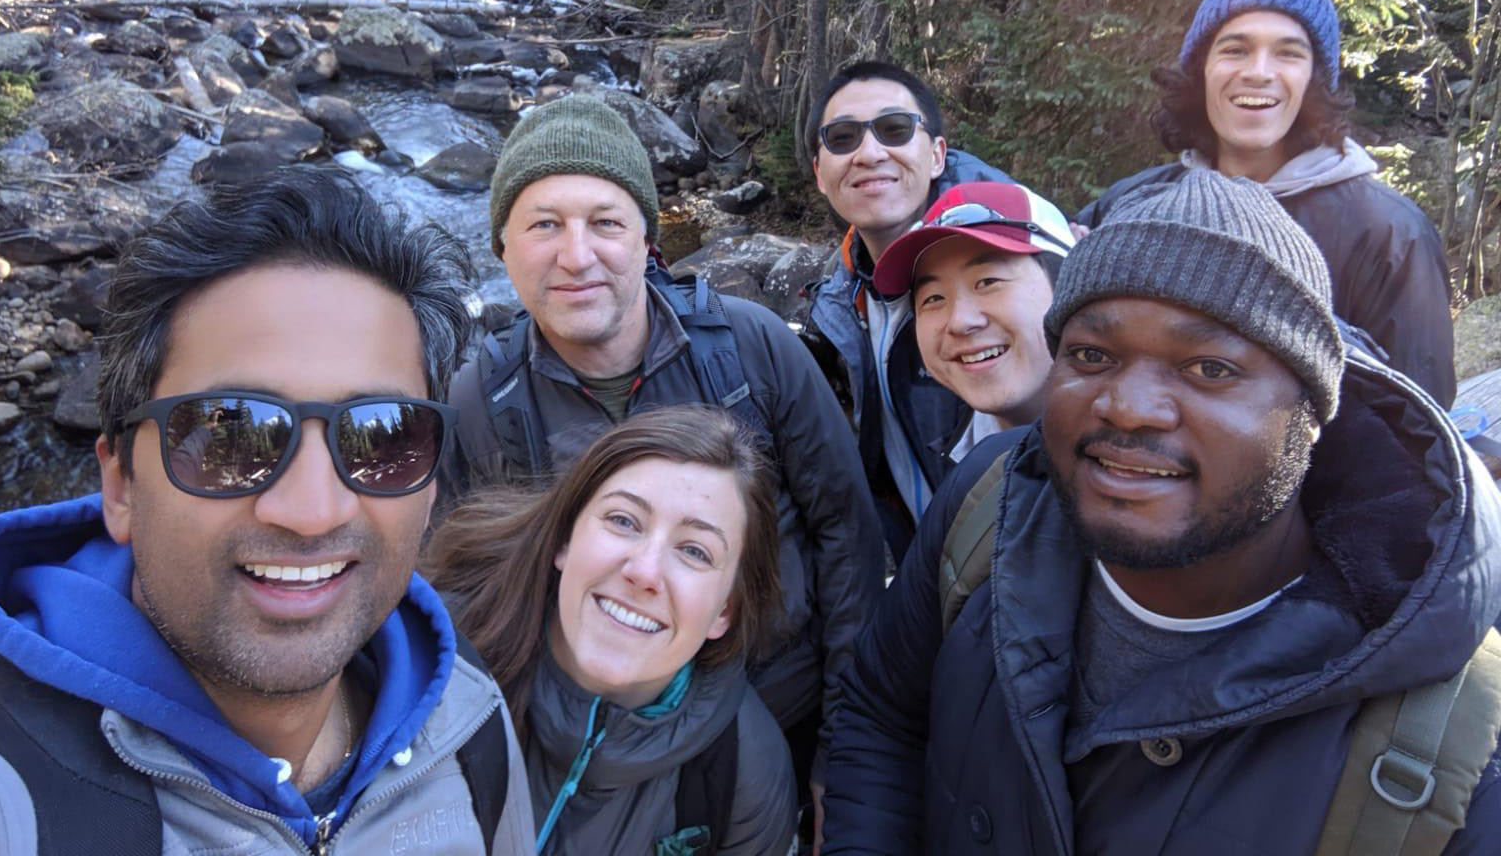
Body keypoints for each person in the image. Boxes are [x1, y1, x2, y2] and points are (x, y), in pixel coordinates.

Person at [823, 170, 1501, 854]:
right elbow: (883, 716)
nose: (1129, 407)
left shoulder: (1457, 749)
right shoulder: (989, 502)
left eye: (1209, 368)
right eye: (1092, 355)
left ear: (1312, 410)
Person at [0, 167, 533, 855]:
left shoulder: (467, 718)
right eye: (230, 434)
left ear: (431, 486)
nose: (312, 511)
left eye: (383, 437)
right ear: (121, 485)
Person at [440, 93, 881, 821]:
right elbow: (462, 604)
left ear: (646, 237)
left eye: (606, 223)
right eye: (544, 224)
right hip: (592, 759)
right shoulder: (481, 400)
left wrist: (845, 748)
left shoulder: (752, 349)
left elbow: (848, 538)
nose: (576, 256)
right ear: (502, 249)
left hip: (780, 717)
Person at [1077, 0, 1456, 407]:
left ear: (1314, 79)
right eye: (1235, 50)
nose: (1258, 72)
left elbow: (1414, 421)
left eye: (1288, 53)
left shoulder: (1388, 234)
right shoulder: (1131, 203)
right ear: (1201, 71)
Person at [428, 406, 797, 855]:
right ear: (564, 539)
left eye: (695, 552)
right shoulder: (427, 660)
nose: (644, 572)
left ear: (725, 610)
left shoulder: (745, 772)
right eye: (624, 521)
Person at [801, 60, 1013, 560]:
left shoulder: (1014, 266)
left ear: (937, 155)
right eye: (843, 138)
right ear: (820, 174)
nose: (869, 153)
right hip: (925, 564)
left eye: (894, 129)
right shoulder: (843, 294)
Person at [869, 180, 1074, 457]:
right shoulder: (952, 456)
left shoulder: (1126, 457)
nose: (960, 322)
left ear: (1068, 285)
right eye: (933, 298)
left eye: (988, 282)